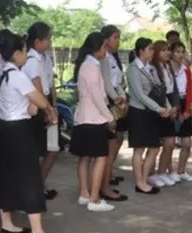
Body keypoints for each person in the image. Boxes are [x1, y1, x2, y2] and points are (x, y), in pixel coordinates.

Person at [0, 30, 64, 233]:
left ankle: (7, 222)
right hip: (17, 131)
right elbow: (39, 99)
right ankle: (38, 232)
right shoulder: (18, 75)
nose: (26, 54)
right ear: (16, 53)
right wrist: (49, 109)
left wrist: (36, 108)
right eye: (23, 50)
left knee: (6, 176)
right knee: (30, 179)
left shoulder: (6, 74)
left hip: (4, 128)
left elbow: (27, 105)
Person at [70, 32, 116, 212]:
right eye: (105, 46)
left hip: (85, 117)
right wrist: (109, 117)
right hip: (93, 118)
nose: (106, 50)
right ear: (97, 48)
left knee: (85, 157)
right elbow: (97, 96)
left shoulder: (87, 65)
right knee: (100, 157)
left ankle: (84, 194)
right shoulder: (91, 66)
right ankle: (94, 199)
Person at [127, 38, 173, 195]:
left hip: (153, 112)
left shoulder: (151, 68)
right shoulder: (133, 69)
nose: (153, 51)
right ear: (141, 51)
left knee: (154, 148)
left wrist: (166, 106)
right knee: (139, 149)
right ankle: (139, 182)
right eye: (150, 48)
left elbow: (160, 88)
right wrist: (159, 108)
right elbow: (139, 95)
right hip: (139, 112)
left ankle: (144, 178)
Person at [22, 22, 59, 200]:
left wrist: (55, 105)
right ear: (38, 41)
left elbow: (50, 84)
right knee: (39, 151)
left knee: (52, 148)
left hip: (48, 104)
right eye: (48, 38)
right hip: (39, 107)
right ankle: (35, 186)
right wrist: (48, 110)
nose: (50, 42)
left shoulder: (45, 58)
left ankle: (40, 183)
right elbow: (37, 89)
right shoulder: (31, 60)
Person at [99, 25, 128, 200]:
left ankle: (109, 175)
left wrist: (123, 98)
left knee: (118, 139)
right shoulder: (103, 58)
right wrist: (118, 101)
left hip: (118, 99)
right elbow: (107, 84)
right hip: (110, 102)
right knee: (110, 143)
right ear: (106, 39)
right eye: (115, 37)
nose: (118, 41)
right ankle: (104, 183)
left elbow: (119, 82)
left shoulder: (113, 57)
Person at [151, 41, 178, 187]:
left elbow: (174, 90)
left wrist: (175, 107)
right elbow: (157, 92)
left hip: (170, 108)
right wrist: (167, 107)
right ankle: (151, 174)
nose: (167, 53)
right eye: (163, 50)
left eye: (168, 50)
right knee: (156, 145)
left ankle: (162, 172)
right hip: (160, 109)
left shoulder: (168, 67)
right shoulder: (154, 68)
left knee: (170, 143)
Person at [169, 41, 192, 182]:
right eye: (177, 52)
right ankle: (169, 171)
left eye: (182, 52)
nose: (180, 55)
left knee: (186, 142)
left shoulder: (186, 70)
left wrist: (187, 110)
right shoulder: (166, 69)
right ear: (171, 53)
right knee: (170, 142)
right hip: (172, 104)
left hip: (184, 103)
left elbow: (190, 91)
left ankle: (182, 170)